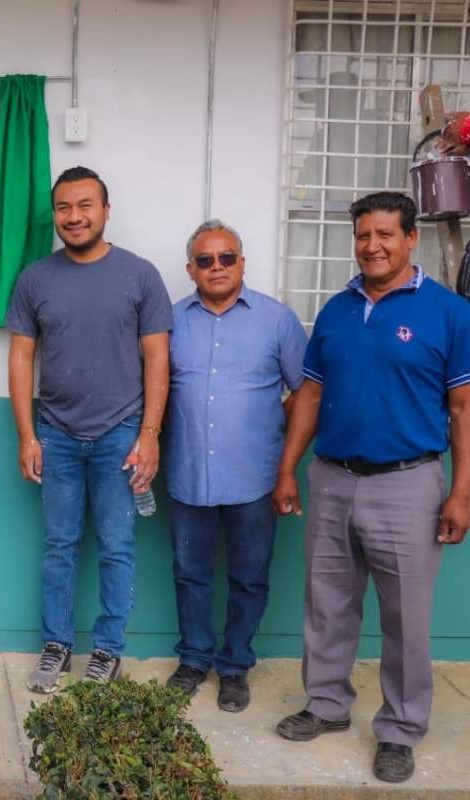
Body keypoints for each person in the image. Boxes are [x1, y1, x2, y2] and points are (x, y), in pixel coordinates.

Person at [272, 191, 470, 783]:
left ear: (412, 239)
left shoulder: (450, 313)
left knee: (405, 617)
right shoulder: (335, 310)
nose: (372, 246)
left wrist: (461, 492)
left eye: (385, 234)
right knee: (327, 606)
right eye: (363, 235)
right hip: (332, 479)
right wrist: (288, 468)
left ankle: (402, 728)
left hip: (409, 484)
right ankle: (327, 705)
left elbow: (462, 409)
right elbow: (308, 395)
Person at [6, 166, 172, 692]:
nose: (73, 217)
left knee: (117, 547)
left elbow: (157, 359)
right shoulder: (36, 278)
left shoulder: (140, 274)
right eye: (63, 208)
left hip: (120, 434)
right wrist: (26, 434)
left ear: (105, 210)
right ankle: (56, 646)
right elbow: (19, 358)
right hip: (55, 434)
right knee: (60, 545)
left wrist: (149, 434)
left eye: (84, 206)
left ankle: (107, 650)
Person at [162, 220, 307, 711]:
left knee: (249, 576)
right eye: (206, 260)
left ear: (243, 262)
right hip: (186, 476)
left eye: (227, 257)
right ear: (191, 269)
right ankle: (194, 658)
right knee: (189, 573)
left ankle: (235, 665)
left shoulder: (277, 320)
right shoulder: (170, 321)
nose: (217, 267)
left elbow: (305, 393)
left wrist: (269, 428)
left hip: (254, 477)